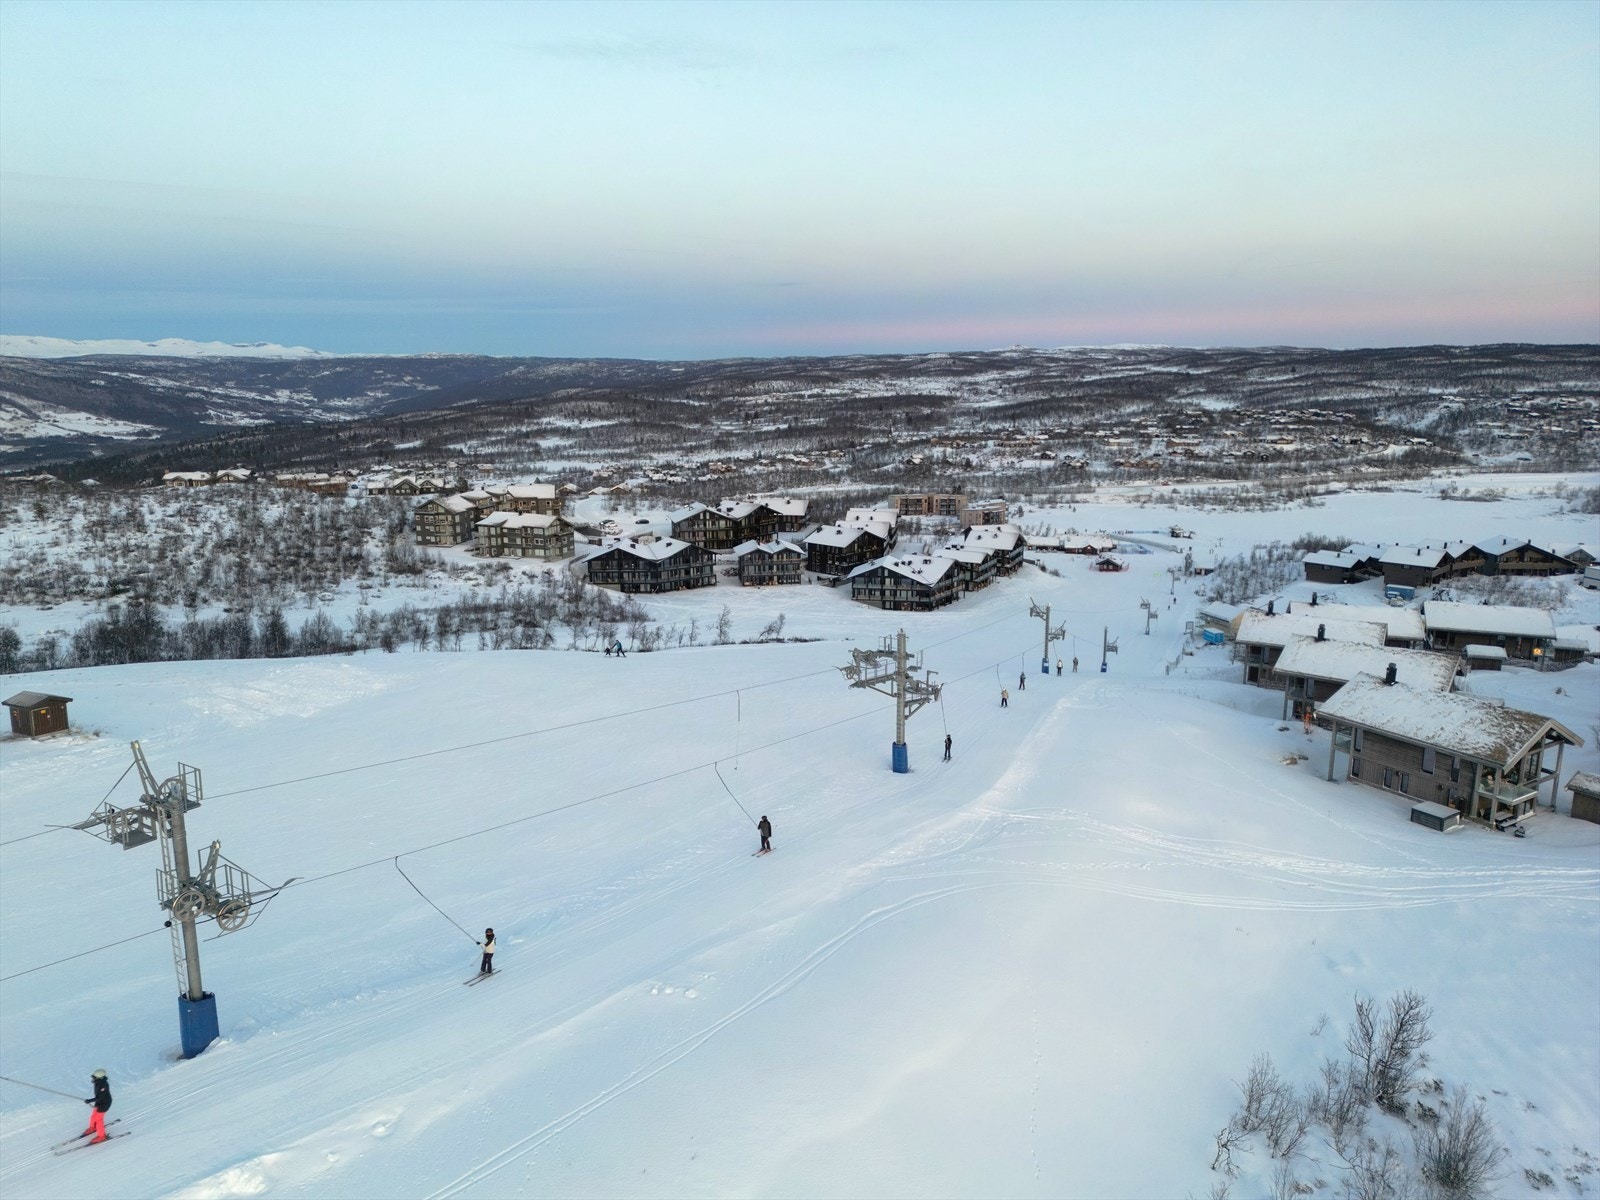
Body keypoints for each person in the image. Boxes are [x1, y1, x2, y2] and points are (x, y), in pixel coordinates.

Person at [82, 1070, 111, 1143]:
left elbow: (100, 1097)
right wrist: (91, 1100)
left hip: (104, 1103)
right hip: (99, 1102)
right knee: (93, 1116)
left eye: (94, 1077)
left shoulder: (103, 1085)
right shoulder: (98, 1082)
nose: (93, 1079)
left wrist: (90, 1100)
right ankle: (93, 1127)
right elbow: (98, 1097)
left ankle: (102, 1136)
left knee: (99, 1120)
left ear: (99, 1078)